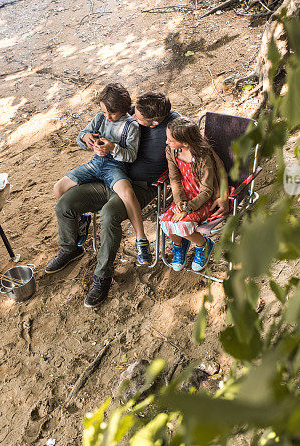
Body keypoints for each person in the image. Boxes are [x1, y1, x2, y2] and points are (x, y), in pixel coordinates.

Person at [47, 91, 230, 307]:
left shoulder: (173, 127)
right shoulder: (134, 112)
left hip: (140, 187)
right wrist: (86, 137)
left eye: (138, 117)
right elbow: (98, 124)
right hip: (108, 175)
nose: (133, 116)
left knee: (109, 215)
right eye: (133, 112)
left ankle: (102, 276)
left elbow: (210, 157)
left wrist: (224, 194)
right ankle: (70, 248)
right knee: (65, 204)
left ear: (154, 123)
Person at [53, 83, 152, 265]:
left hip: (115, 167)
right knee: (59, 189)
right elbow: (82, 135)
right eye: (105, 112)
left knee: (127, 193)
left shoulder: (131, 126)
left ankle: (141, 240)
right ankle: (82, 220)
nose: (108, 117)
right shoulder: (100, 119)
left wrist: (112, 147)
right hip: (94, 164)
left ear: (123, 109)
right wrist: (86, 139)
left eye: (112, 113)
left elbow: (131, 156)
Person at [160, 117, 225, 272]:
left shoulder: (203, 158)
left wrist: (187, 208)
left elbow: (207, 190)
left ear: (185, 143)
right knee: (166, 222)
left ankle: (204, 245)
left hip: (202, 199)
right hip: (183, 197)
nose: (167, 142)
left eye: (170, 140)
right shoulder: (172, 151)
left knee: (182, 224)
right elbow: (174, 179)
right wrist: (180, 203)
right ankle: (179, 245)